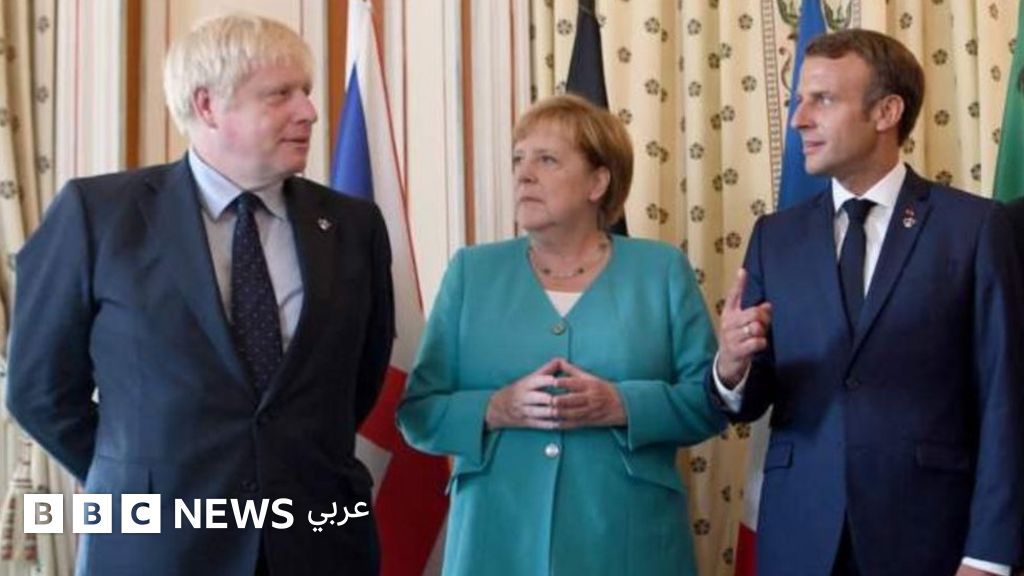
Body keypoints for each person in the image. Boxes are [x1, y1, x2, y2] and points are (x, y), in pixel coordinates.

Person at [6, 14, 393, 576]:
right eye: (281, 94)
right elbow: (39, 391)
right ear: (207, 105)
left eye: (306, 92)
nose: (309, 111)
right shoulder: (98, 216)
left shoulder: (354, 226)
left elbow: (358, 380)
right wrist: (140, 479)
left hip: (318, 541)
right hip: (157, 548)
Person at [710, 29, 1024, 576]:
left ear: (886, 112)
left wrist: (989, 556)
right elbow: (750, 400)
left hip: (929, 538)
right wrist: (731, 367)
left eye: (822, 100)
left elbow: (1006, 398)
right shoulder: (774, 238)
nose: (799, 119)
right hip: (799, 538)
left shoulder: (973, 228)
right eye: (799, 100)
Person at [397, 94, 724, 576]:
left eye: (547, 160)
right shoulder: (471, 272)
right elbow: (418, 413)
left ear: (598, 182)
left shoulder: (661, 271)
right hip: (496, 542)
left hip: (626, 542)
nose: (524, 175)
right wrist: (495, 408)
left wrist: (622, 405)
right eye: (518, 159)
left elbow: (710, 403)